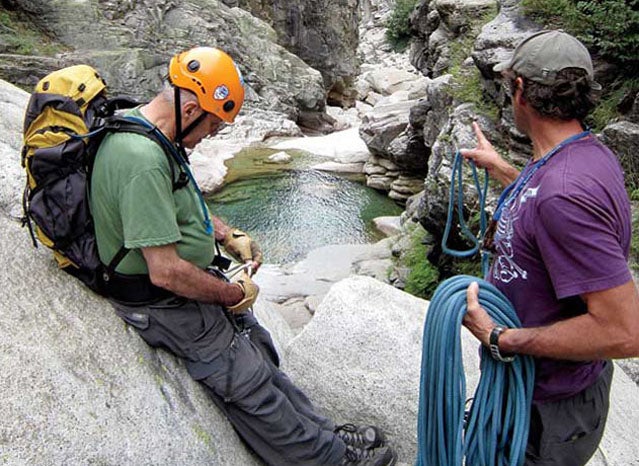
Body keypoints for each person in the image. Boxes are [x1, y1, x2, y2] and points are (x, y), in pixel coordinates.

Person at [90, 46, 397, 466]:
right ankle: (330, 460)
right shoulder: (141, 158)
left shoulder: (153, 135)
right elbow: (164, 271)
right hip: (160, 301)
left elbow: (175, 204)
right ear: (193, 107)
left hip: (182, 287)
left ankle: (323, 436)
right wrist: (231, 293)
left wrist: (226, 233)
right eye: (213, 124)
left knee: (258, 346)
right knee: (246, 380)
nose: (212, 135)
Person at [460, 30, 639, 465]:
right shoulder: (586, 153)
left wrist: (501, 337)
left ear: (519, 89)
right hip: (541, 392)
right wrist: (502, 168)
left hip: (547, 409)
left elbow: (625, 331)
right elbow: (545, 206)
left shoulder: (564, 193)